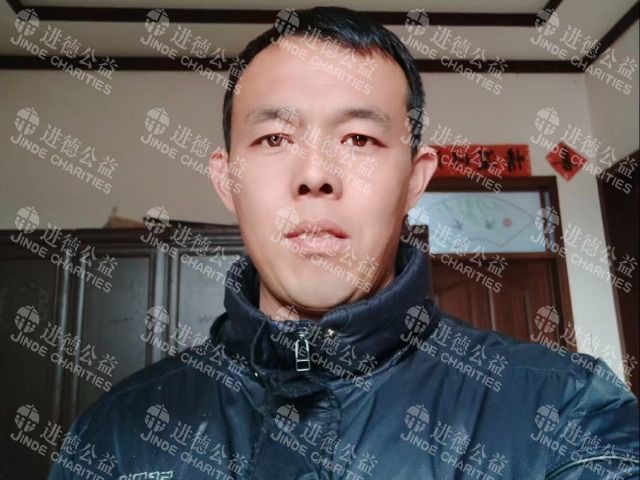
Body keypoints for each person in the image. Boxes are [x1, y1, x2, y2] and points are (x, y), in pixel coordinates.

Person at [48, 6, 639, 479]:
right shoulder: (117, 433)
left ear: (415, 180)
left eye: (358, 139)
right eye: (275, 138)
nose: (315, 174)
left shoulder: (563, 411)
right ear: (227, 180)